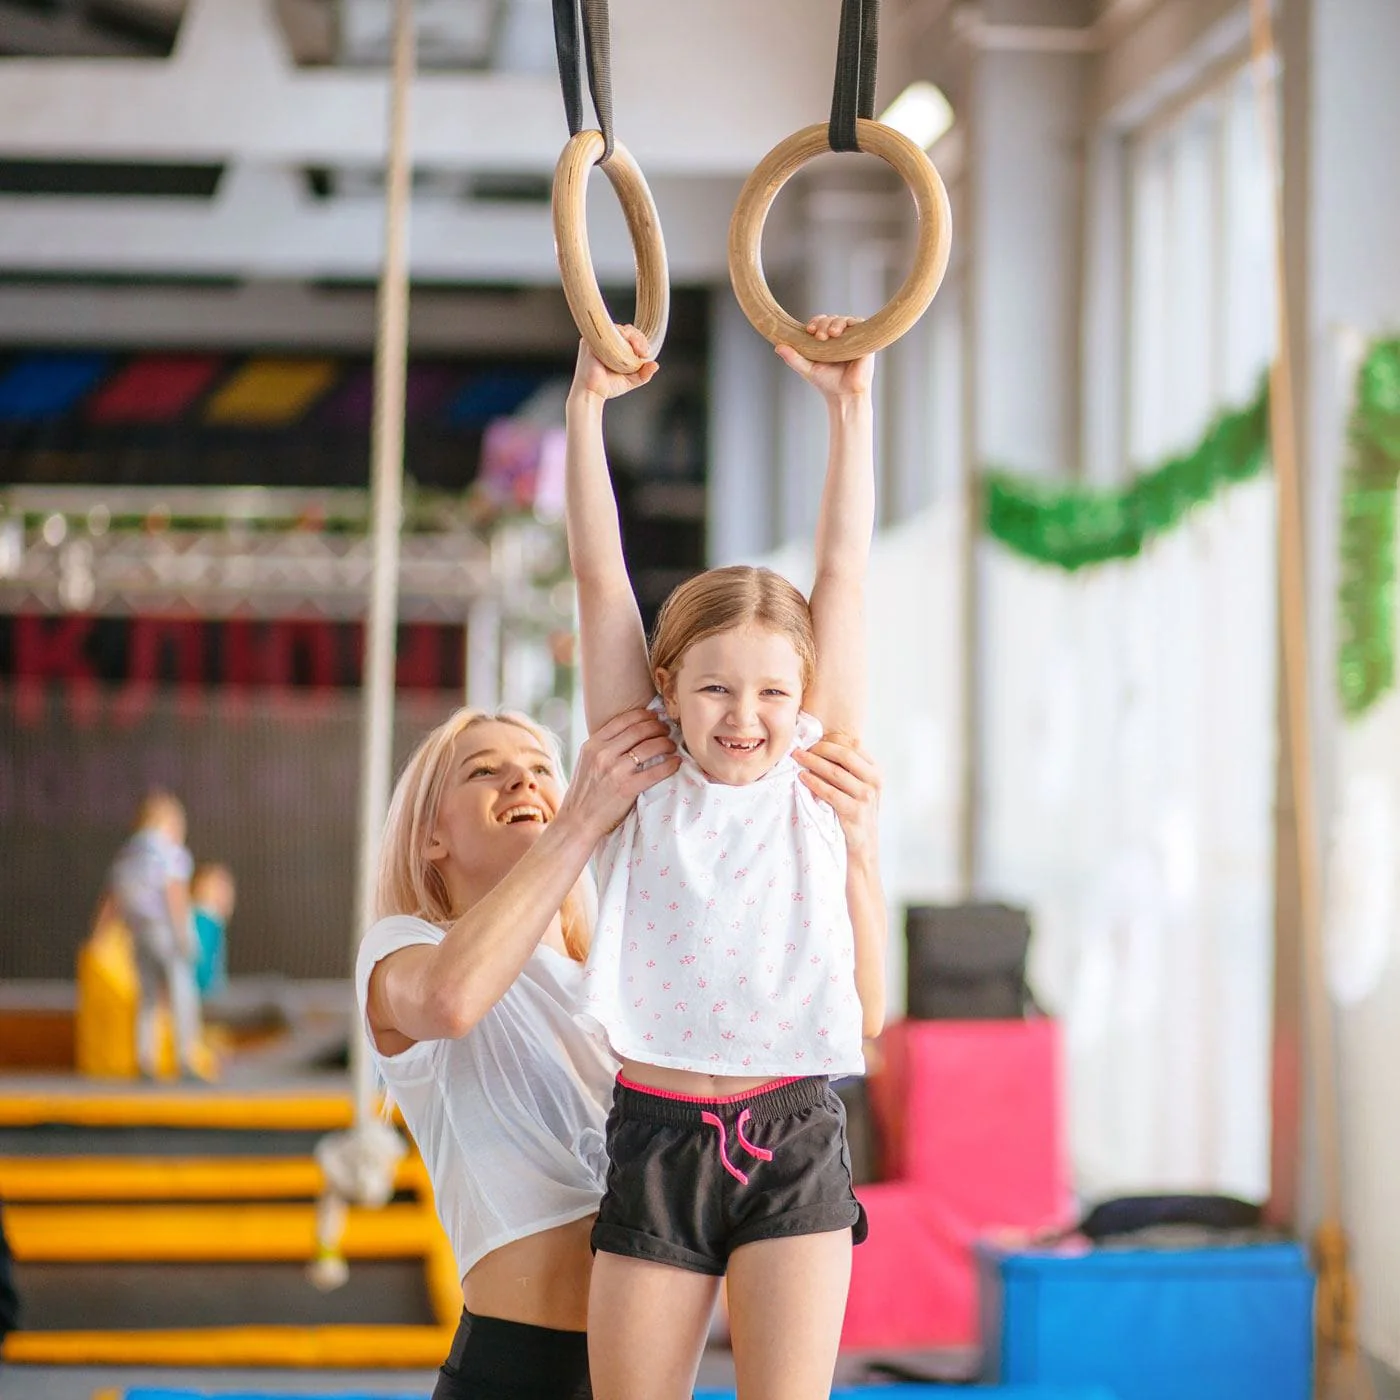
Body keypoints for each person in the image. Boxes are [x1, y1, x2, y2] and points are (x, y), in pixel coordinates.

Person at [356, 703, 883, 1400]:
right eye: (485, 772)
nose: (523, 781)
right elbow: (448, 1001)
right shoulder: (403, 947)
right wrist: (577, 823)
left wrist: (855, 849)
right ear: (431, 836)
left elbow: (847, 1009)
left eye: (542, 768)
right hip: (520, 1372)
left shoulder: (618, 987)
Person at [565, 318, 888, 1400]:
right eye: (713, 688)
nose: (744, 716)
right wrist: (585, 409)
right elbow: (600, 580)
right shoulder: (644, 765)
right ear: (666, 686)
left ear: (803, 697)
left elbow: (844, 571)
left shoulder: (814, 772)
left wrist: (850, 405)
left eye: (771, 692)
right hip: (655, 1134)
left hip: (790, 1129)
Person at [102, 790, 205, 1081]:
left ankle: (145, 1060)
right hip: (164, 930)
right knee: (181, 991)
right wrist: (184, 933)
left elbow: (112, 897)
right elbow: (174, 892)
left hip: (137, 933)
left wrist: (100, 933)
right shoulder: (169, 851)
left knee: (147, 997)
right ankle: (186, 1059)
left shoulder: (128, 853)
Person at [190, 862, 236, 997]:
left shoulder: (211, 921)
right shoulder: (205, 919)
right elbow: (200, 971)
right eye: (218, 887)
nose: (225, 893)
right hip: (205, 997)